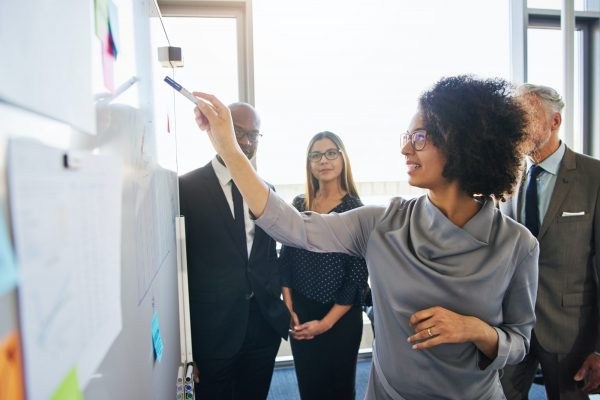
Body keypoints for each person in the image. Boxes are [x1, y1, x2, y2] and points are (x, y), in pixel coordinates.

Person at [192, 75, 539, 399]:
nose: (406, 150)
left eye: (419, 137)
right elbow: (291, 226)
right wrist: (229, 150)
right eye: (407, 137)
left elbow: (519, 341)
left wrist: (475, 330)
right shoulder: (381, 222)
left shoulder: (517, 245)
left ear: (463, 143)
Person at [179, 102, 289, 399]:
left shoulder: (267, 192)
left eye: (254, 135)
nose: (246, 142)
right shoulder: (186, 188)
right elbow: (181, 273)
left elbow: (267, 256)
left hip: (262, 327)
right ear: (221, 131)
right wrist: (187, 347)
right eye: (238, 132)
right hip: (213, 333)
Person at [499, 84, 600, 399]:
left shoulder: (593, 176)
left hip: (571, 331)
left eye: (525, 117)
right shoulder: (508, 178)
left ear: (555, 122)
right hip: (511, 324)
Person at [279, 131, 369, 399]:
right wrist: (289, 306)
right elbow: (287, 257)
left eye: (331, 153)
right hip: (301, 311)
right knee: (309, 388)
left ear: (342, 159)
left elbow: (357, 278)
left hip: (339, 317)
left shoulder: (357, 210)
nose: (323, 161)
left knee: (339, 390)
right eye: (315, 155)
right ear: (309, 163)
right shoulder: (300, 204)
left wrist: (326, 324)